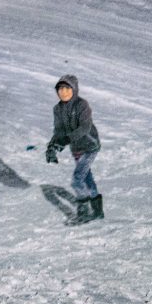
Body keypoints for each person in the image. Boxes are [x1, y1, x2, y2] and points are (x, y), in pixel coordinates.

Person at [45, 75, 103, 225]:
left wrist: (65, 140)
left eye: (67, 88)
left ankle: (84, 213)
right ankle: (97, 211)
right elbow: (58, 131)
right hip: (76, 148)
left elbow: (84, 128)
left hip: (90, 146)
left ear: (74, 89)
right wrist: (51, 147)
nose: (63, 92)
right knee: (86, 178)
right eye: (60, 89)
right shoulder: (58, 109)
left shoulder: (82, 105)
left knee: (77, 179)